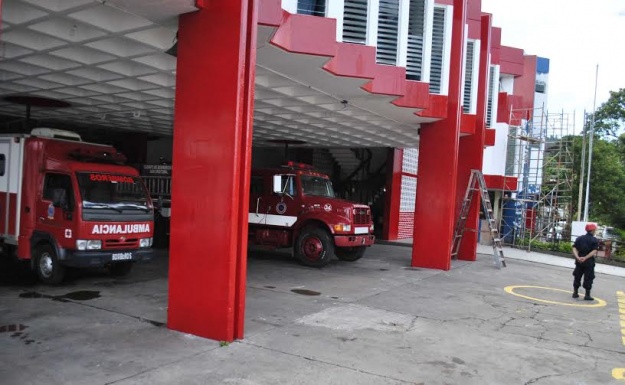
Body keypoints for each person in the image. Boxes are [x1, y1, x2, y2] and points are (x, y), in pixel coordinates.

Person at [572, 223, 600, 300]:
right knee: (589, 277)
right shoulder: (594, 240)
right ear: (592, 230)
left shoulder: (580, 238)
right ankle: (587, 295)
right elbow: (594, 251)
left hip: (579, 261)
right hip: (589, 262)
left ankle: (575, 292)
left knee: (577, 276)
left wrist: (577, 257)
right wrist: (586, 257)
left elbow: (574, 248)